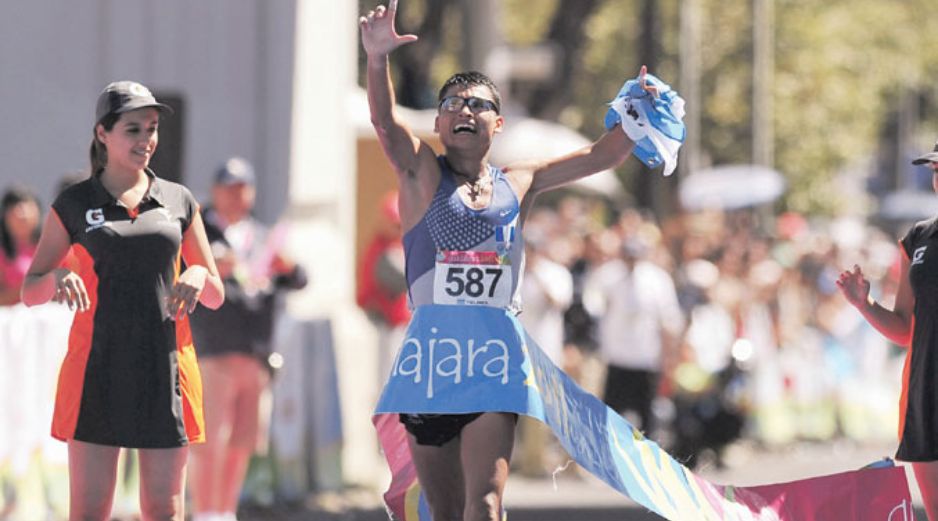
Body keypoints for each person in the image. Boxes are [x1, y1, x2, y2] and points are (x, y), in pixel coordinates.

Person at [360, 2, 665, 519]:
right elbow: (387, 125)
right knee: (443, 507)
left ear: (497, 123)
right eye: (452, 103)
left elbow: (601, 155)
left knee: (485, 501)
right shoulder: (421, 175)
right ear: (438, 121)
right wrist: (376, 59)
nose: (464, 110)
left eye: (477, 104)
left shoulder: (520, 181)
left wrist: (639, 105)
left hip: (494, 364)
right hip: (430, 365)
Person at [20, 80, 224, 521]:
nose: (146, 140)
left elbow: (215, 295)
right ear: (102, 134)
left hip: (166, 369)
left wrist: (199, 271)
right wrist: (55, 276)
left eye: (151, 129)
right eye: (133, 129)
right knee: (91, 511)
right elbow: (29, 291)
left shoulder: (178, 200)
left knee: (163, 510)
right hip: (97, 370)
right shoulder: (74, 203)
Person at [187, 157, 308, 521]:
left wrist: (288, 267)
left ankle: (225, 510)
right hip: (214, 349)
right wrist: (214, 267)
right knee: (210, 440)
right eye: (229, 188)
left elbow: (298, 279)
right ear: (214, 192)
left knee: (242, 442)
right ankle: (205, 510)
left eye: (243, 188)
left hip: (255, 354)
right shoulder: (202, 232)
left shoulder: (260, 237)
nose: (236, 196)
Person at [837, 139, 938, 520]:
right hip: (926, 394)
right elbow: (904, 329)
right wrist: (864, 304)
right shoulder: (919, 238)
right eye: (935, 172)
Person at [585, 233, 685, 436]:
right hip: (616, 356)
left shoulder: (657, 279)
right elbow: (593, 305)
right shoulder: (607, 276)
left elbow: (669, 319)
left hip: (646, 356)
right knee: (612, 414)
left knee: (646, 415)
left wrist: (669, 355)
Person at [0, 185, 41, 305]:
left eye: (27, 209)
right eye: (14, 211)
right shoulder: (2, 254)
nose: (21, 215)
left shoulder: (54, 248)